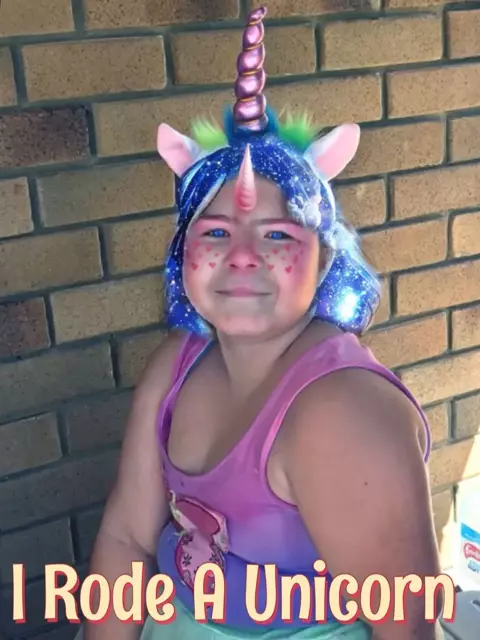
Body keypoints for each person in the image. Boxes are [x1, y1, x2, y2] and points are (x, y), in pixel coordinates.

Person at [84, 6, 443, 640]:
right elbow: (126, 537)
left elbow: (408, 630)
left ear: (324, 258)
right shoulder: (175, 365)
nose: (243, 256)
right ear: (182, 254)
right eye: (216, 231)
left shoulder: (343, 415)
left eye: (277, 234)